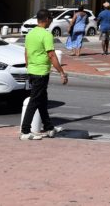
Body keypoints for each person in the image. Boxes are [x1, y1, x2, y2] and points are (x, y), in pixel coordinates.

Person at [21, 9, 68, 140]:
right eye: (51, 19)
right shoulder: (46, 35)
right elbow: (51, 55)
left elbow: (26, 52)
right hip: (41, 73)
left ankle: (48, 127)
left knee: (42, 101)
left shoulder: (30, 33)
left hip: (32, 71)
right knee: (34, 101)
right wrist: (62, 72)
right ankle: (25, 131)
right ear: (46, 19)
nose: (51, 21)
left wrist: (28, 66)